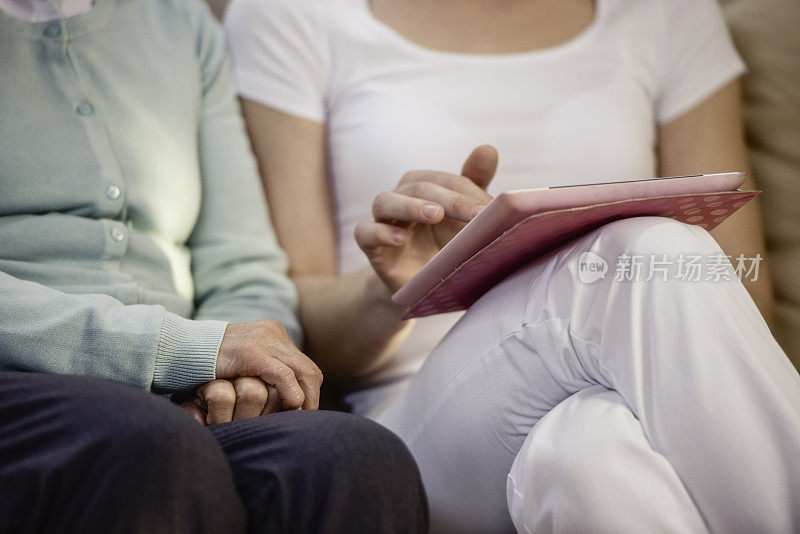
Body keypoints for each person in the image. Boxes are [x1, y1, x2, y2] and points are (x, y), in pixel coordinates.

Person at [224, 0, 800, 532]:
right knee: (648, 253)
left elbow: (739, 290)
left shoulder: (667, 12)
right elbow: (291, 330)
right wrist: (394, 289)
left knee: (589, 454)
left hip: (639, 391)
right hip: (422, 419)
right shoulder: (293, 13)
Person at [0, 0, 428, 532]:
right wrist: (186, 351)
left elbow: (242, 262)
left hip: (178, 389)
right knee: (146, 442)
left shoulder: (177, 20)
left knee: (353, 455)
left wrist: (238, 374)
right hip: (26, 377)